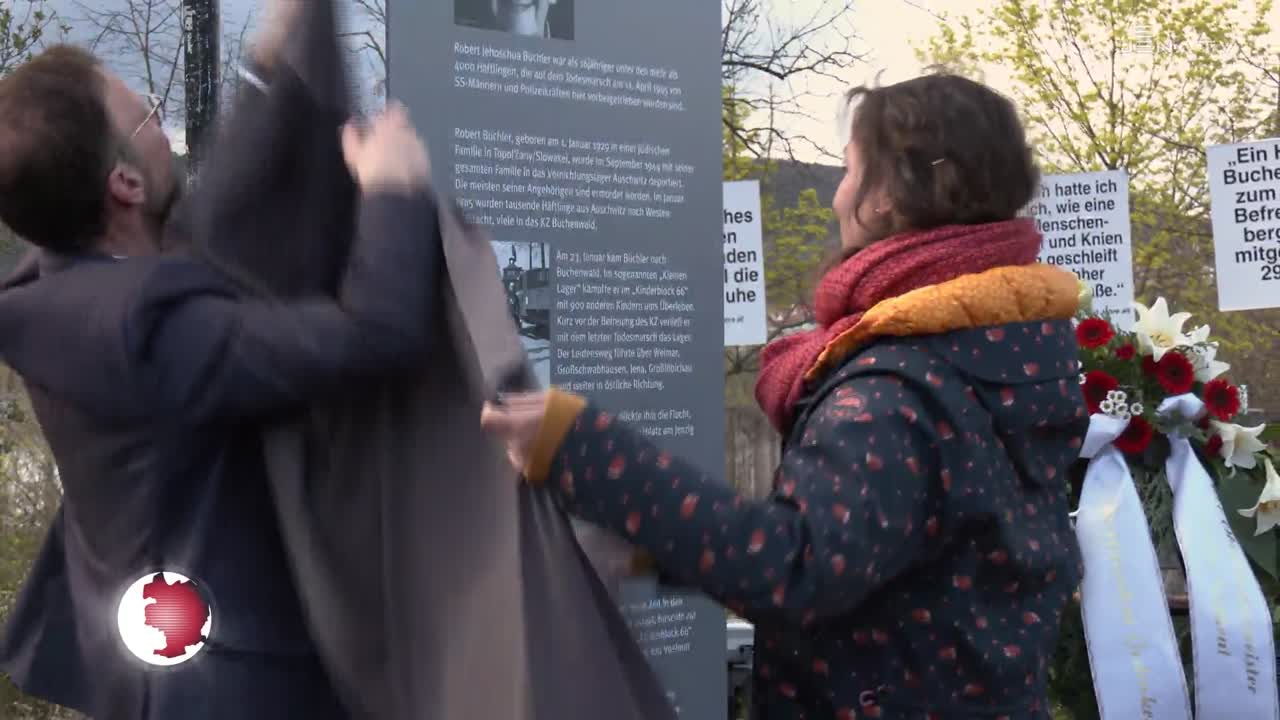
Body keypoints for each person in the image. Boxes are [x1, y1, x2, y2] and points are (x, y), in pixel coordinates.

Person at [483, 73, 1088, 719]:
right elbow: (897, 555)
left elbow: (797, 567)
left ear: (889, 194)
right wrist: (655, 544)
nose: (837, 199)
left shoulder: (897, 392)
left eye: (851, 173)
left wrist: (581, 450)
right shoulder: (1003, 353)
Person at [0, 16, 438, 720]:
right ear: (123, 185)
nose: (155, 117)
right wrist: (392, 192)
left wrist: (274, 64)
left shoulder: (51, 285)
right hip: (229, 689)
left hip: (143, 667)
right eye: (144, 114)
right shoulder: (151, 332)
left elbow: (208, 224)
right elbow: (377, 334)